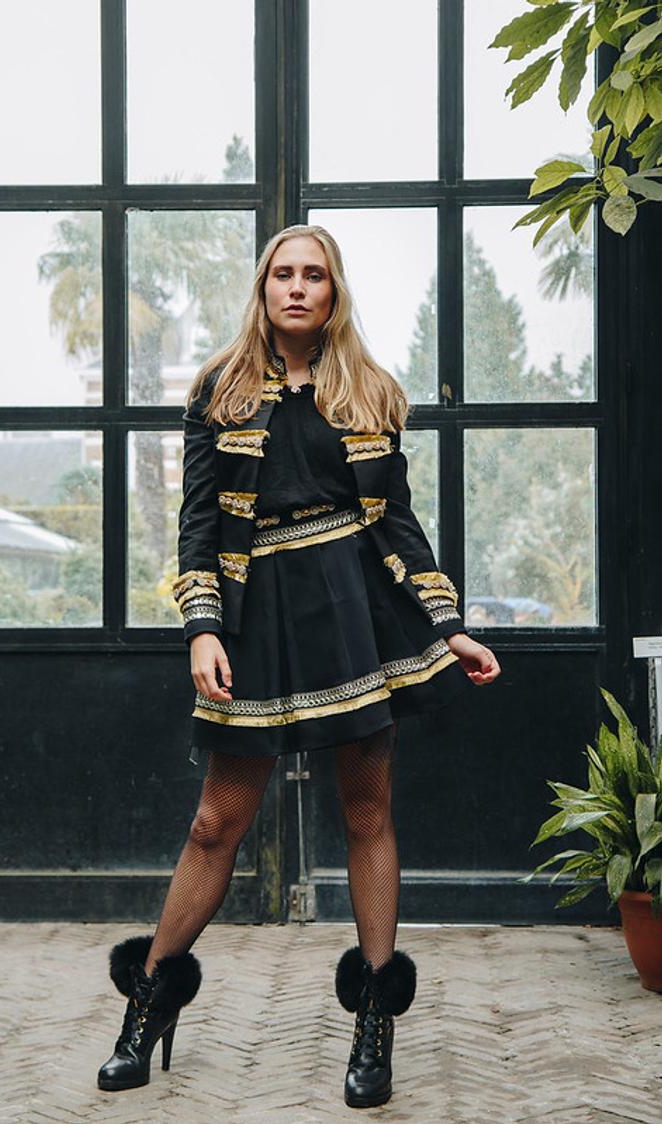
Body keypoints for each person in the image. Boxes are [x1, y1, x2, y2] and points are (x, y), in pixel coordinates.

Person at [97, 224, 500, 1108]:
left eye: (313, 274)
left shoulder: (371, 389)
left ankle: (374, 1022)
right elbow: (198, 523)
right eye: (283, 273)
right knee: (216, 823)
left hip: (355, 612)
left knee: (367, 811)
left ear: (333, 291)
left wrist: (449, 627)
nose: (297, 287)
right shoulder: (220, 389)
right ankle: (149, 1002)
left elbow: (397, 524)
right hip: (256, 617)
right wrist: (202, 629)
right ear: (264, 286)